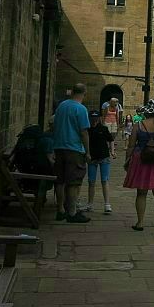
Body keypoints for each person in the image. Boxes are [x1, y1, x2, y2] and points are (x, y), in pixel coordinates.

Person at [123, 99, 154, 231]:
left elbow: (131, 146)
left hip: (141, 159)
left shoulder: (138, 125)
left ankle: (140, 223)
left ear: (147, 111)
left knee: (141, 192)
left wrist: (128, 160)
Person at [52, 83, 92, 223]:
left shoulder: (61, 106)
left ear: (72, 92)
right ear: (84, 93)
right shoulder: (81, 109)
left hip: (59, 146)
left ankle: (60, 210)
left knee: (60, 180)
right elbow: (84, 132)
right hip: (74, 148)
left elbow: (54, 124)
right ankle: (72, 212)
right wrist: (88, 152)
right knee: (74, 181)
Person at [80, 111, 114, 214]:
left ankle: (107, 204)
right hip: (92, 158)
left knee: (105, 180)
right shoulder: (87, 129)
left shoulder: (103, 129)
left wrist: (112, 151)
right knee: (91, 181)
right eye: (92, 118)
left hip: (104, 157)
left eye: (96, 118)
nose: (94, 120)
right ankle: (90, 204)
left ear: (99, 118)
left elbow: (111, 139)